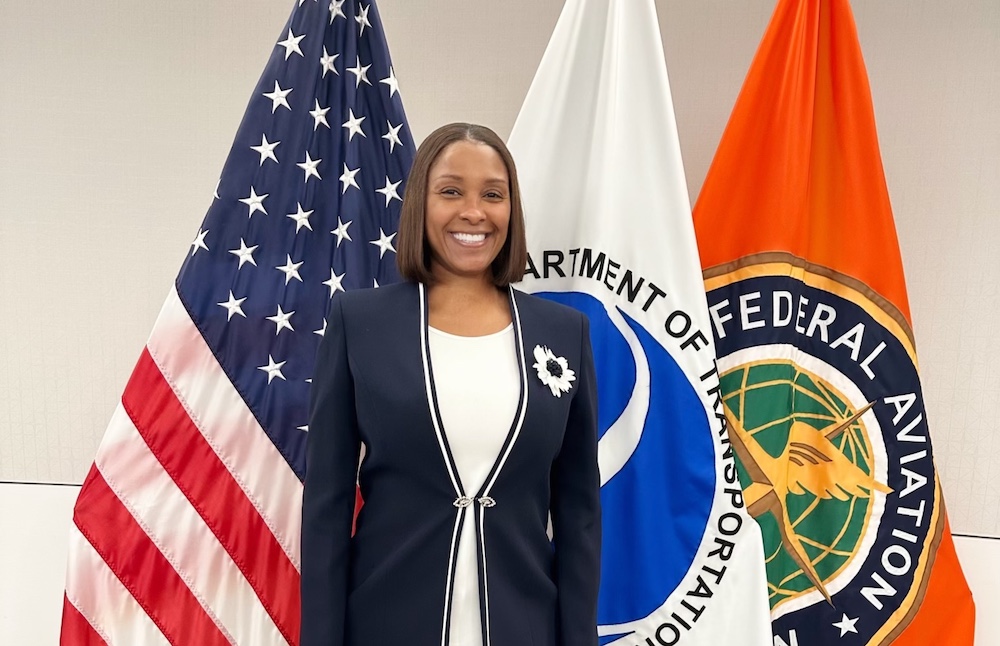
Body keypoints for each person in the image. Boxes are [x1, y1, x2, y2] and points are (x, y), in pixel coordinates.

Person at [301, 123, 601, 646]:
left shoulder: (564, 332)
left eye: (493, 194)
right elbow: (325, 508)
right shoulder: (360, 323)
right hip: (385, 626)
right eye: (451, 191)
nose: (474, 212)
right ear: (422, 202)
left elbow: (578, 515)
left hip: (524, 629)